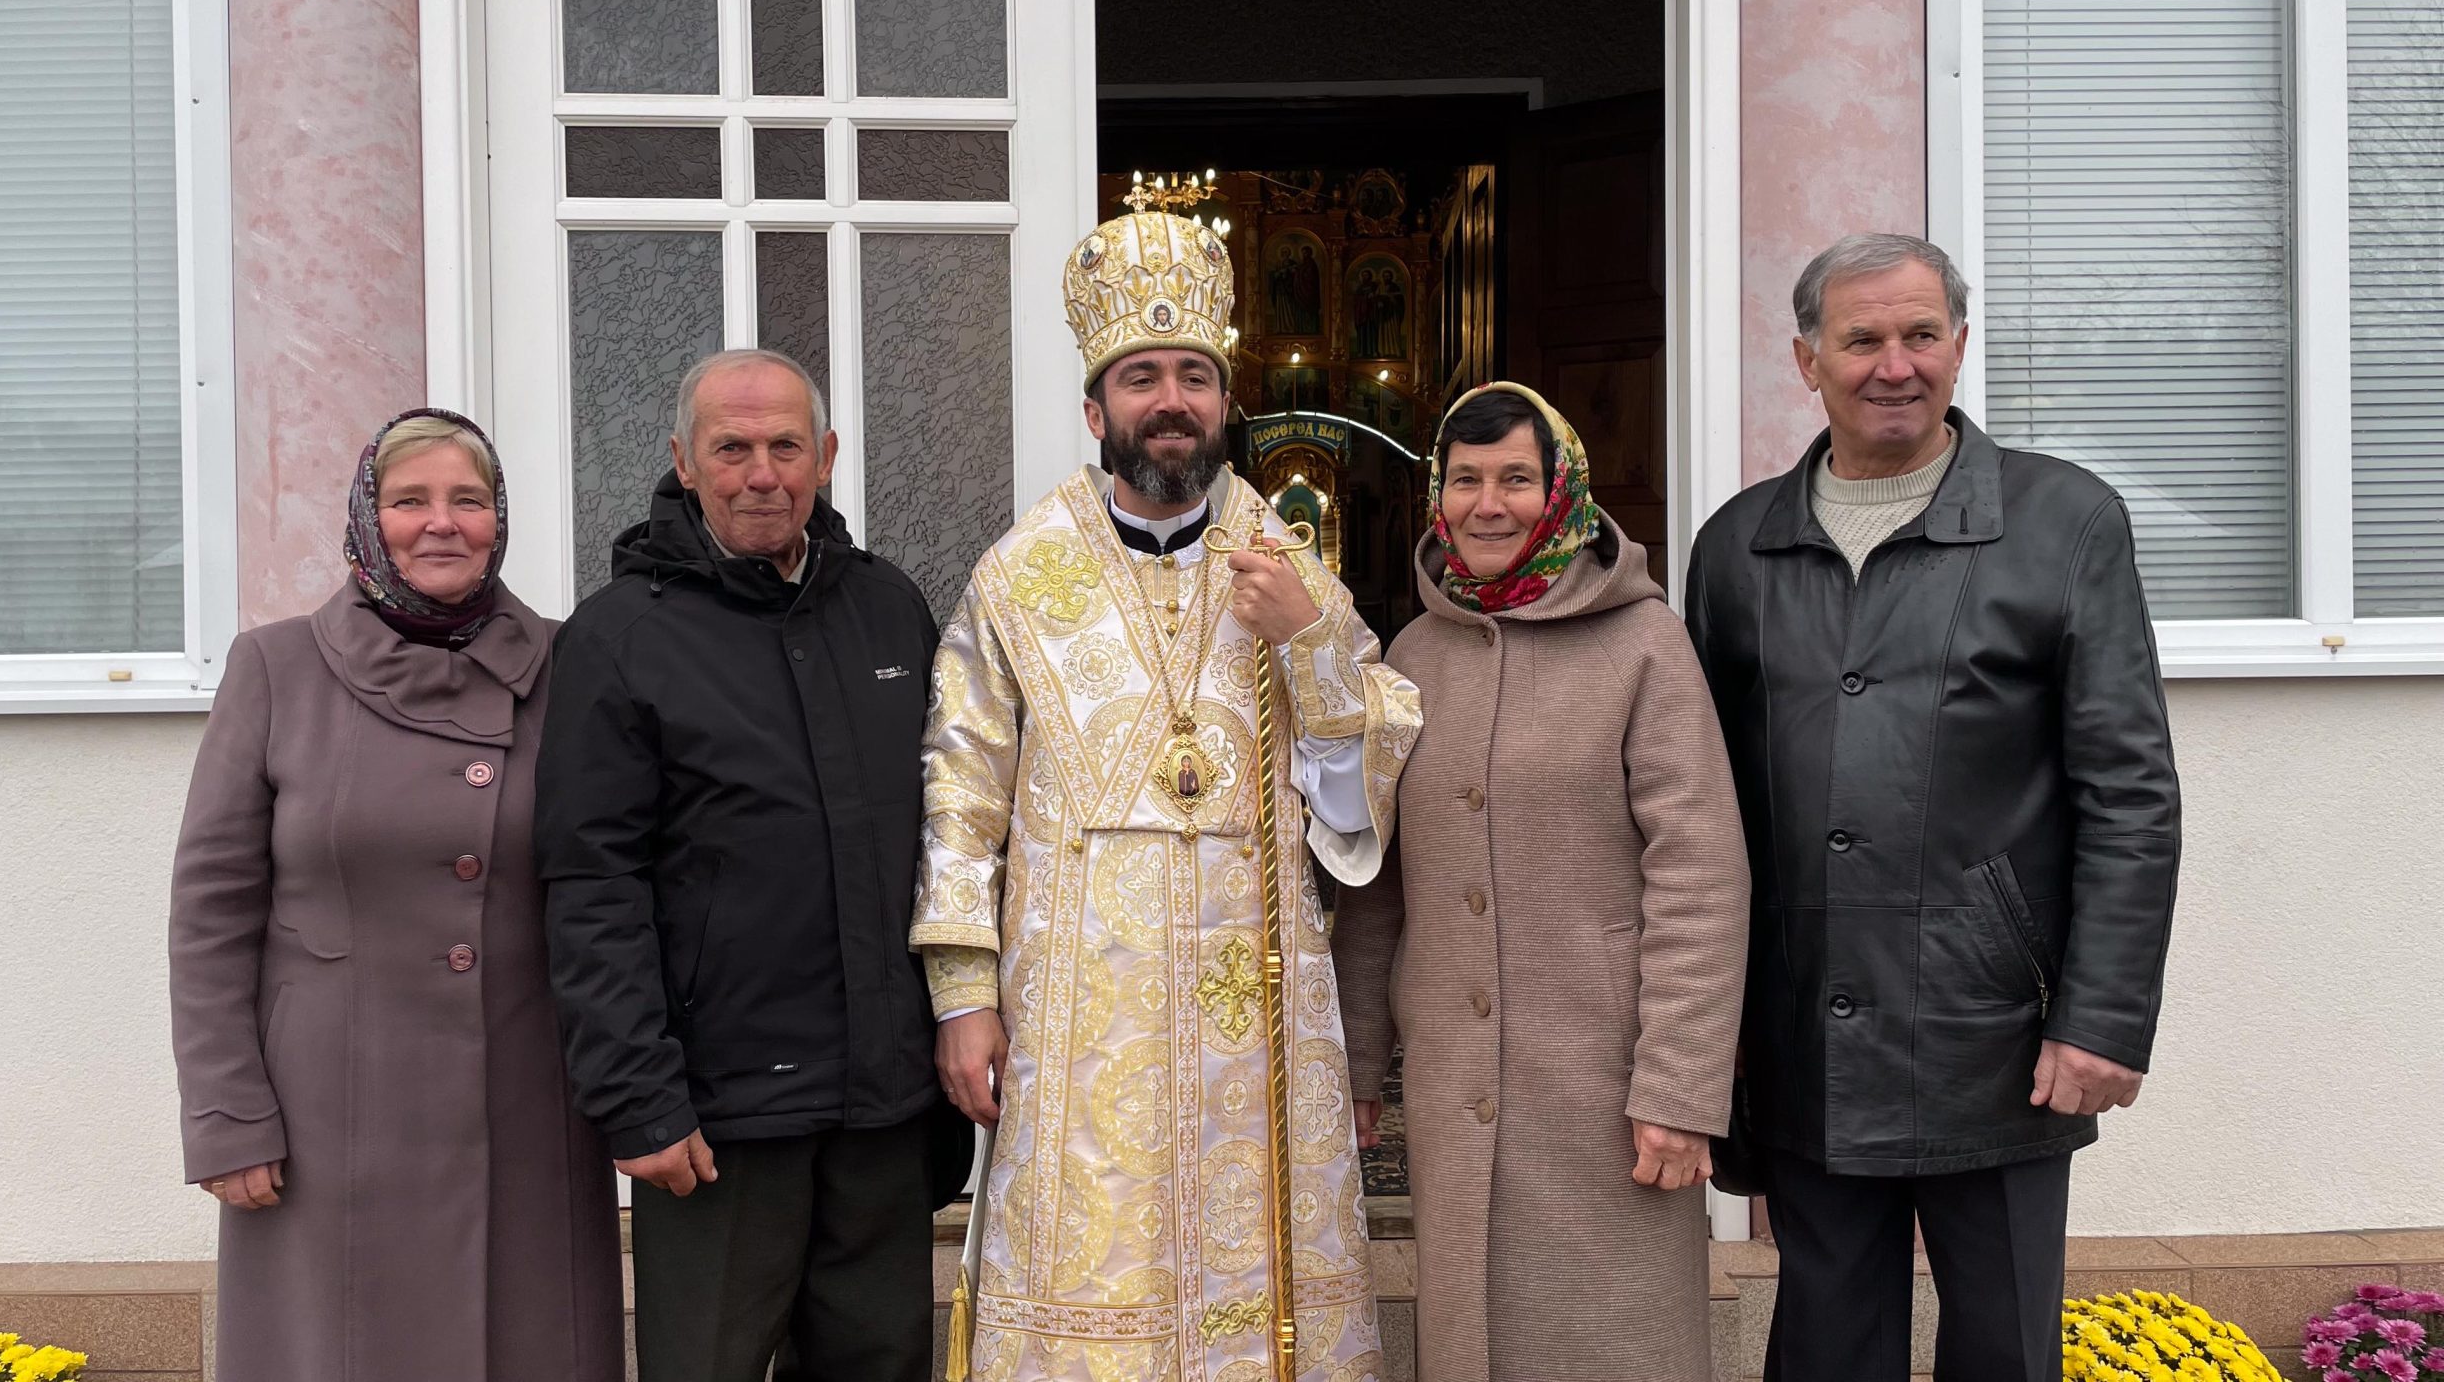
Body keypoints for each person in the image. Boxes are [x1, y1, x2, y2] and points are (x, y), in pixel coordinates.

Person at [918, 209, 1423, 1381]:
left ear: (1223, 401)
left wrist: (1309, 644)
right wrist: (962, 997)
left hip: (1257, 1002)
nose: (1170, 401)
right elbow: (960, 789)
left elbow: (1357, 804)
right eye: (1140, 377)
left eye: (1193, 377)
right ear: (1096, 410)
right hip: (1077, 1006)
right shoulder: (1018, 575)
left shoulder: (1292, 568)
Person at [1684, 233, 2181, 1382]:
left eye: (1919, 334)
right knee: (1824, 1345)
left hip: (1997, 1035)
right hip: (1803, 1030)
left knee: (2004, 1347)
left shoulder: (2063, 522)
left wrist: (2104, 1018)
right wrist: (1709, 1028)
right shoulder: (1738, 548)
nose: (1893, 364)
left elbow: (2129, 793)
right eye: (1861, 339)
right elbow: (1702, 809)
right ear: (1806, 360)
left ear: (1959, 345)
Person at [534, 349, 962, 1382]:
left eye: (785, 447)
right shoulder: (618, 638)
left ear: (826, 456)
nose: (761, 474)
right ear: (685, 462)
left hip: (882, 1111)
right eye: (731, 449)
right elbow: (591, 885)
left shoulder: (888, 608)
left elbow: (950, 835)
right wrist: (638, 1098)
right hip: (716, 1121)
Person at [169, 408, 623, 1382]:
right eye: (410, 500)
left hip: (528, 1109)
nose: (441, 523)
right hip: (325, 1115)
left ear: (499, 519)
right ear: (366, 519)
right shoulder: (276, 668)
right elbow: (211, 915)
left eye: (468, 500)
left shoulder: (570, 664)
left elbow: (619, 881)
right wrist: (226, 1116)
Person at [1333, 381, 1751, 1381]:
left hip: (1606, 1093)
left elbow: (1700, 876)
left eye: (1516, 479)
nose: (1489, 504)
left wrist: (1680, 1089)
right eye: (1465, 479)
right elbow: (1378, 886)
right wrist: (1356, 1066)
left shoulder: (1645, 645)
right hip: (1453, 1088)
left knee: (1612, 1346)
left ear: (1561, 491)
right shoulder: (1412, 654)